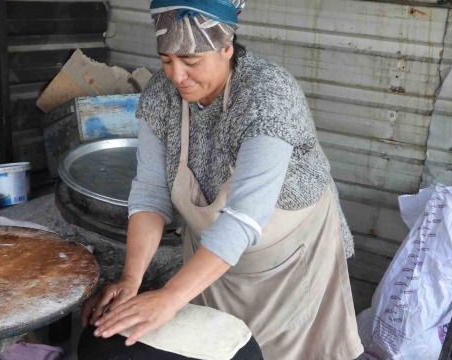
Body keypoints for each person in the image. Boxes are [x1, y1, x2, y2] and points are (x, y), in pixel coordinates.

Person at [80, 0, 364, 359]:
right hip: (212, 257)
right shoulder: (161, 96)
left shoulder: (267, 95)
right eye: (167, 60)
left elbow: (245, 215)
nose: (176, 75)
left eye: (192, 62)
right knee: (217, 345)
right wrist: (131, 281)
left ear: (227, 48)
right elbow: (151, 193)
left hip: (291, 256)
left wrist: (170, 296)